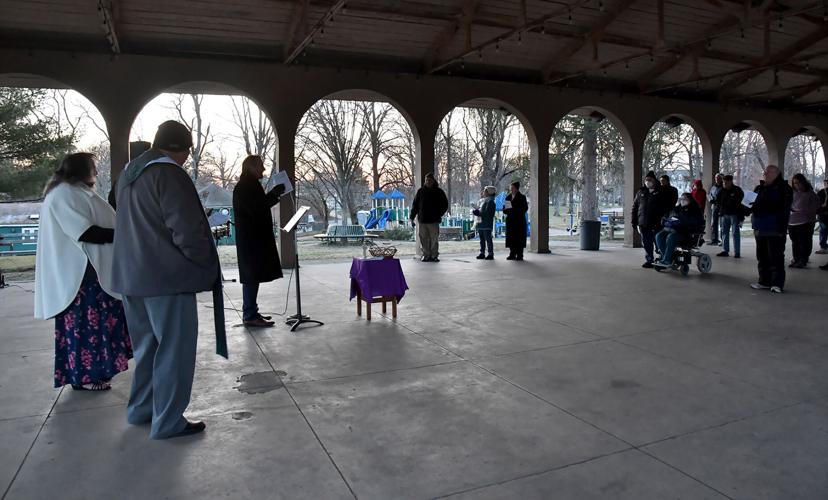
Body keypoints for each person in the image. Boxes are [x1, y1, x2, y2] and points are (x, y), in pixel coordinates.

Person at [112, 121, 220, 439]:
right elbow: (187, 229)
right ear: (182, 149)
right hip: (166, 277)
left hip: (131, 275)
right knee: (174, 349)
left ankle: (141, 410)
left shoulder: (130, 173)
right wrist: (203, 265)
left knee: (147, 348)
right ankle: (169, 420)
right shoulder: (168, 173)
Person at [34, 153, 132, 391]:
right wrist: (125, 233)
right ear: (82, 170)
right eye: (93, 168)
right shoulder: (64, 194)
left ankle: (94, 372)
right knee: (86, 328)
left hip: (89, 276)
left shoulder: (73, 191)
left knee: (98, 326)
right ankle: (85, 376)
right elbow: (85, 232)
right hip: (80, 278)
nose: (97, 173)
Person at [233, 155, 285, 327]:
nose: (263, 169)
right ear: (252, 168)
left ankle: (251, 311)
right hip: (251, 241)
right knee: (251, 277)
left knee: (252, 277)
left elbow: (258, 206)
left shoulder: (248, 185)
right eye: (261, 166)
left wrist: (273, 194)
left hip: (251, 240)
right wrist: (274, 194)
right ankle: (250, 314)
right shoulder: (246, 186)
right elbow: (257, 208)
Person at [749, 165, 793, 293]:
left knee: (776, 256)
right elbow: (751, 203)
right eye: (764, 173)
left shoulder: (784, 189)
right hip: (759, 226)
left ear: (776, 173)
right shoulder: (760, 188)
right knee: (762, 256)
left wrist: (760, 205)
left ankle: (777, 283)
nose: (765, 175)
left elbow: (781, 207)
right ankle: (764, 281)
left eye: (768, 172)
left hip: (775, 227)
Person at [653, 193, 705, 269]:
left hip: (687, 233)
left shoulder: (695, 210)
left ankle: (667, 260)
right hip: (673, 230)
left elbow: (696, 222)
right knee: (659, 236)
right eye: (681, 199)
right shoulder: (676, 209)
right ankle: (667, 258)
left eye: (685, 199)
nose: (682, 201)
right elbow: (667, 216)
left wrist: (681, 221)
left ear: (690, 200)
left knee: (671, 237)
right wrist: (664, 220)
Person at [410, 173, 448, 262]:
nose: (428, 181)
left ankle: (434, 255)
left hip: (434, 220)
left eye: (430, 180)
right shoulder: (421, 191)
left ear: (433, 180)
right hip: (422, 220)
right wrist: (411, 217)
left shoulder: (439, 191)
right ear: (425, 181)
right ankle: (426, 255)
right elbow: (415, 205)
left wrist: (439, 214)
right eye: (426, 180)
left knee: (434, 239)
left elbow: (445, 205)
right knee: (423, 239)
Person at [632, 171, 666, 268]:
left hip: (657, 224)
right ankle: (649, 260)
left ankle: (662, 259)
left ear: (654, 180)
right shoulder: (641, 192)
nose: (648, 182)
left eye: (650, 180)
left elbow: (665, 208)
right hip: (643, 223)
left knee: (658, 242)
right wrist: (634, 221)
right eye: (646, 180)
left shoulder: (660, 192)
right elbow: (635, 207)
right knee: (646, 243)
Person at [787, 173, 821, 268]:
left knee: (804, 242)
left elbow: (816, 206)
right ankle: (796, 259)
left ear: (803, 182)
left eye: (798, 183)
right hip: (792, 221)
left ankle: (803, 260)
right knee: (795, 242)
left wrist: (804, 210)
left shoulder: (810, 193)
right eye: (794, 183)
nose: (797, 185)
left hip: (806, 222)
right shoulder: (793, 193)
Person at [715, 175, 744, 258]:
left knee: (735, 233)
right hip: (724, 215)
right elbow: (718, 202)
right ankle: (725, 250)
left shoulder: (737, 190)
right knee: (724, 233)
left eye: (726, 182)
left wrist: (741, 215)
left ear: (731, 181)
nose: (724, 184)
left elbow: (741, 203)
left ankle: (737, 252)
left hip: (734, 215)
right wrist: (719, 211)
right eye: (723, 182)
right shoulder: (721, 191)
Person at [504, 181, 529, 261]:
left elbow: (525, 208)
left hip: (519, 221)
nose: (511, 189)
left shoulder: (522, 197)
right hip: (510, 221)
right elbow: (505, 208)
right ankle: (512, 254)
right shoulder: (508, 197)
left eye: (513, 187)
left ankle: (520, 254)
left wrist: (514, 210)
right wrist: (506, 210)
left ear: (517, 188)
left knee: (519, 237)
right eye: (511, 187)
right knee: (511, 237)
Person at [472, 186, 496, 260]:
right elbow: (482, 211)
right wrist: (477, 211)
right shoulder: (484, 201)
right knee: (482, 239)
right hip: (481, 223)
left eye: (485, 191)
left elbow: (488, 213)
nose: (483, 192)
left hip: (487, 224)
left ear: (489, 192)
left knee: (488, 239)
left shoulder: (491, 202)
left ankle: (490, 253)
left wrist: (478, 213)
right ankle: (482, 252)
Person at [708, 173, 724, 245]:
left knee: (722, 224)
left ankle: (723, 240)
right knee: (714, 223)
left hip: (721, 207)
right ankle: (714, 240)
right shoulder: (713, 187)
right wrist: (711, 199)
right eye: (716, 178)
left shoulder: (723, 187)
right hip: (714, 206)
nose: (717, 179)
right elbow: (710, 195)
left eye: (718, 178)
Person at [815, 178, 828, 256]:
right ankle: (823, 247)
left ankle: (823, 247)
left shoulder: (821, 192)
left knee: (823, 231)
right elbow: (817, 203)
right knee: (823, 231)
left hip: (823, 215)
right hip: (823, 215)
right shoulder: (821, 192)